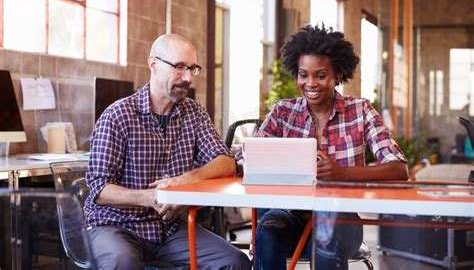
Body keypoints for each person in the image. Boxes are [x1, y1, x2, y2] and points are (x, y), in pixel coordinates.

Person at [84, 34, 251, 270]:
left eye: (193, 68)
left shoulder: (194, 113)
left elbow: (226, 163)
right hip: (116, 225)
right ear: (153, 64)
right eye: (180, 67)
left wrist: (183, 182)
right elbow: (99, 189)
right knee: (122, 263)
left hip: (170, 229)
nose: (188, 77)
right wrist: (153, 197)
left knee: (235, 261)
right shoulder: (117, 115)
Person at [254, 24, 408, 270]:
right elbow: (250, 159)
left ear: (337, 75)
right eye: (303, 75)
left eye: (321, 75)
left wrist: (342, 173)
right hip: (291, 217)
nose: (311, 83)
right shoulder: (283, 111)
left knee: (326, 232)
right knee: (269, 227)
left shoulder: (360, 111)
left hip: (341, 220)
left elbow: (399, 169)